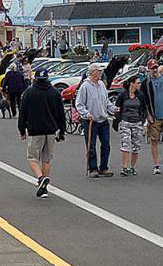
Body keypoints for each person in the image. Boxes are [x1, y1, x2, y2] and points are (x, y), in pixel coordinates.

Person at [18, 68, 66, 197]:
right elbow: (61, 113)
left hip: (35, 129)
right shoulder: (55, 92)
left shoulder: (29, 92)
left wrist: (22, 129)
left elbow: (23, 112)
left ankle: (40, 178)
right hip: (51, 129)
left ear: (35, 79)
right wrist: (62, 130)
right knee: (47, 159)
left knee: (32, 158)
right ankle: (44, 188)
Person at [76, 63, 115, 178]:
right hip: (91, 121)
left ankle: (104, 167)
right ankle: (92, 168)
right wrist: (86, 114)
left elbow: (106, 101)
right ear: (92, 72)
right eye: (98, 71)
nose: (101, 73)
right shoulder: (85, 86)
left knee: (106, 145)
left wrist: (113, 108)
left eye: (101, 71)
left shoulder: (102, 85)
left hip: (103, 120)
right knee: (91, 145)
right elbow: (79, 104)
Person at [114, 76, 150, 177]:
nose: (139, 85)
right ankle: (124, 167)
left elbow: (144, 109)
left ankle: (132, 167)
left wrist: (143, 120)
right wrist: (119, 120)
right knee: (126, 144)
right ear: (131, 83)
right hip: (125, 122)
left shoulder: (141, 96)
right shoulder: (123, 95)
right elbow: (117, 108)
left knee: (136, 146)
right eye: (137, 83)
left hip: (137, 123)